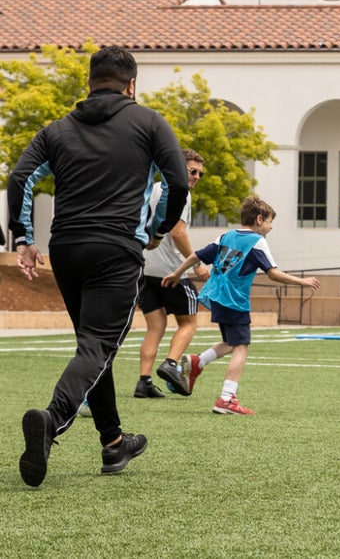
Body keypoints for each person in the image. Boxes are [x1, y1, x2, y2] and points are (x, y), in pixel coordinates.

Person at [8, 46, 189, 487]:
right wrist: (158, 229)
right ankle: (51, 420)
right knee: (97, 347)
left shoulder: (57, 129)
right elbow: (178, 180)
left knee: (94, 346)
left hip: (66, 249)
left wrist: (23, 238)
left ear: (89, 82)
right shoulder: (149, 122)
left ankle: (113, 443)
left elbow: (19, 178)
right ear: (132, 84)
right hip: (115, 250)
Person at [163, 196, 320, 415]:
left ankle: (198, 361)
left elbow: (196, 256)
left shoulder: (226, 236)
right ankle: (227, 399)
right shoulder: (257, 241)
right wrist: (301, 281)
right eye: (269, 221)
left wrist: (177, 273)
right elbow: (273, 273)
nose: (271, 226)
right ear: (258, 219)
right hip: (234, 299)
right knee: (241, 347)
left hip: (217, 296)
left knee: (231, 341)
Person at [135, 148, 211, 398]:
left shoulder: (152, 188)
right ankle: (171, 363)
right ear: (179, 168)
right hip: (171, 270)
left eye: (200, 173)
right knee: (189, 323)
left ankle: (143, 382)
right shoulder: (180, 193)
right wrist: (196, 263)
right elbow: (178, 232)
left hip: (146, 269)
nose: (197, 176)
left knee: (155, 327)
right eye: (192, 171)